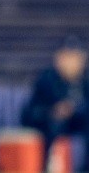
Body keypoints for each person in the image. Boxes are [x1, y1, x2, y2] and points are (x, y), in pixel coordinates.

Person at [21, 35, 89, 172]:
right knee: (55, 124)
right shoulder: (47, 81)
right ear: (58, 59)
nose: (72, 62)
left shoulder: (85, 82)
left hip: (78, 124)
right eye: (67, 57)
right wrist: (53, 111)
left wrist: (75, 110)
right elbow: (29, 114)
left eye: (76, 57)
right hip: (51, 126)